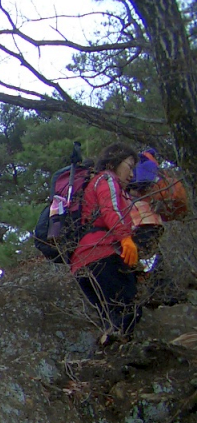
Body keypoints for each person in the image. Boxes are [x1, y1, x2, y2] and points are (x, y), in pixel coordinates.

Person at [70, 143, 142, 344]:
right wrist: (125, 238)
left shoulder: (94, 184)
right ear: (114, 162)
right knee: (128, 312)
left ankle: (108, 362)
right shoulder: (107, 179)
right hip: (101, 254)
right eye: (129, 166)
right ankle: (122, 359)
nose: (131, 175)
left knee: (110, 320)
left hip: (81, 262)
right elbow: (110, 210)